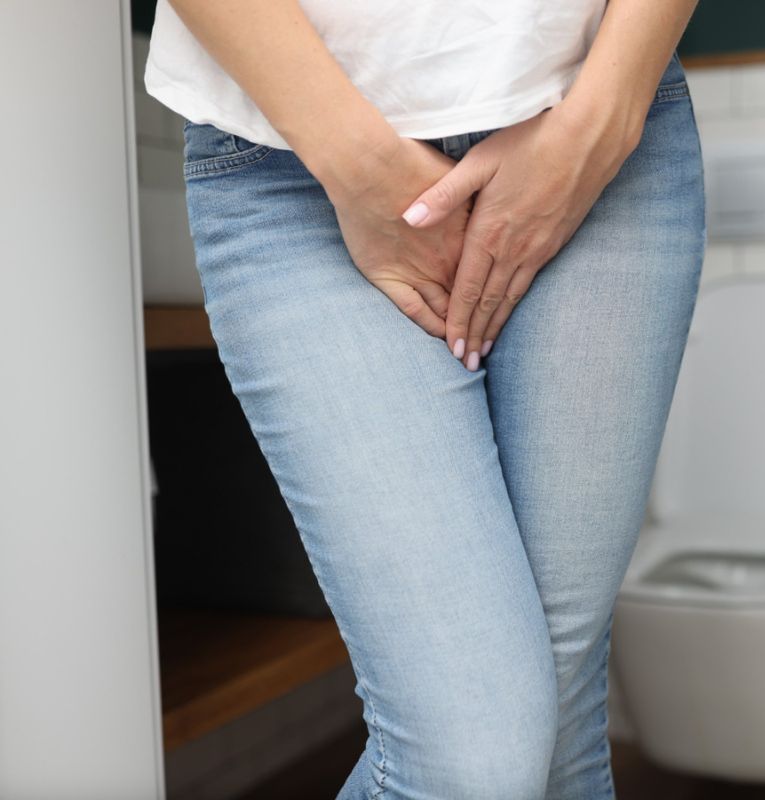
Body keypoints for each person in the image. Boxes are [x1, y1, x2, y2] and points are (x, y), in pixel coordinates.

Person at [144, 0, 705, 797]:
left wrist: (600, 120)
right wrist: (360, 166)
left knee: (561, 729)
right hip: (291, 159)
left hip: (596, 131)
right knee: (472, 758)